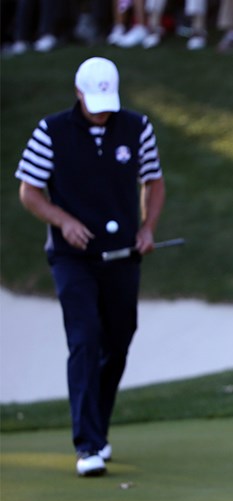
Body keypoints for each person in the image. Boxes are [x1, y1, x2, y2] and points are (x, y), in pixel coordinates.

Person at [15, 57, 166, 478]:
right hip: (73, 258)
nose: (101, 109)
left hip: (122, 256)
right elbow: (29, 191)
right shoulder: (52, 130)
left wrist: (148, 228)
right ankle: (88, 443)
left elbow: (153, 181)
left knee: (118, 341)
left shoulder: (137, 128)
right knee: (84, 339)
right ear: (78, 92)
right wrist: (62, 220)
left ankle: (96, 426)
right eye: (93, 100)